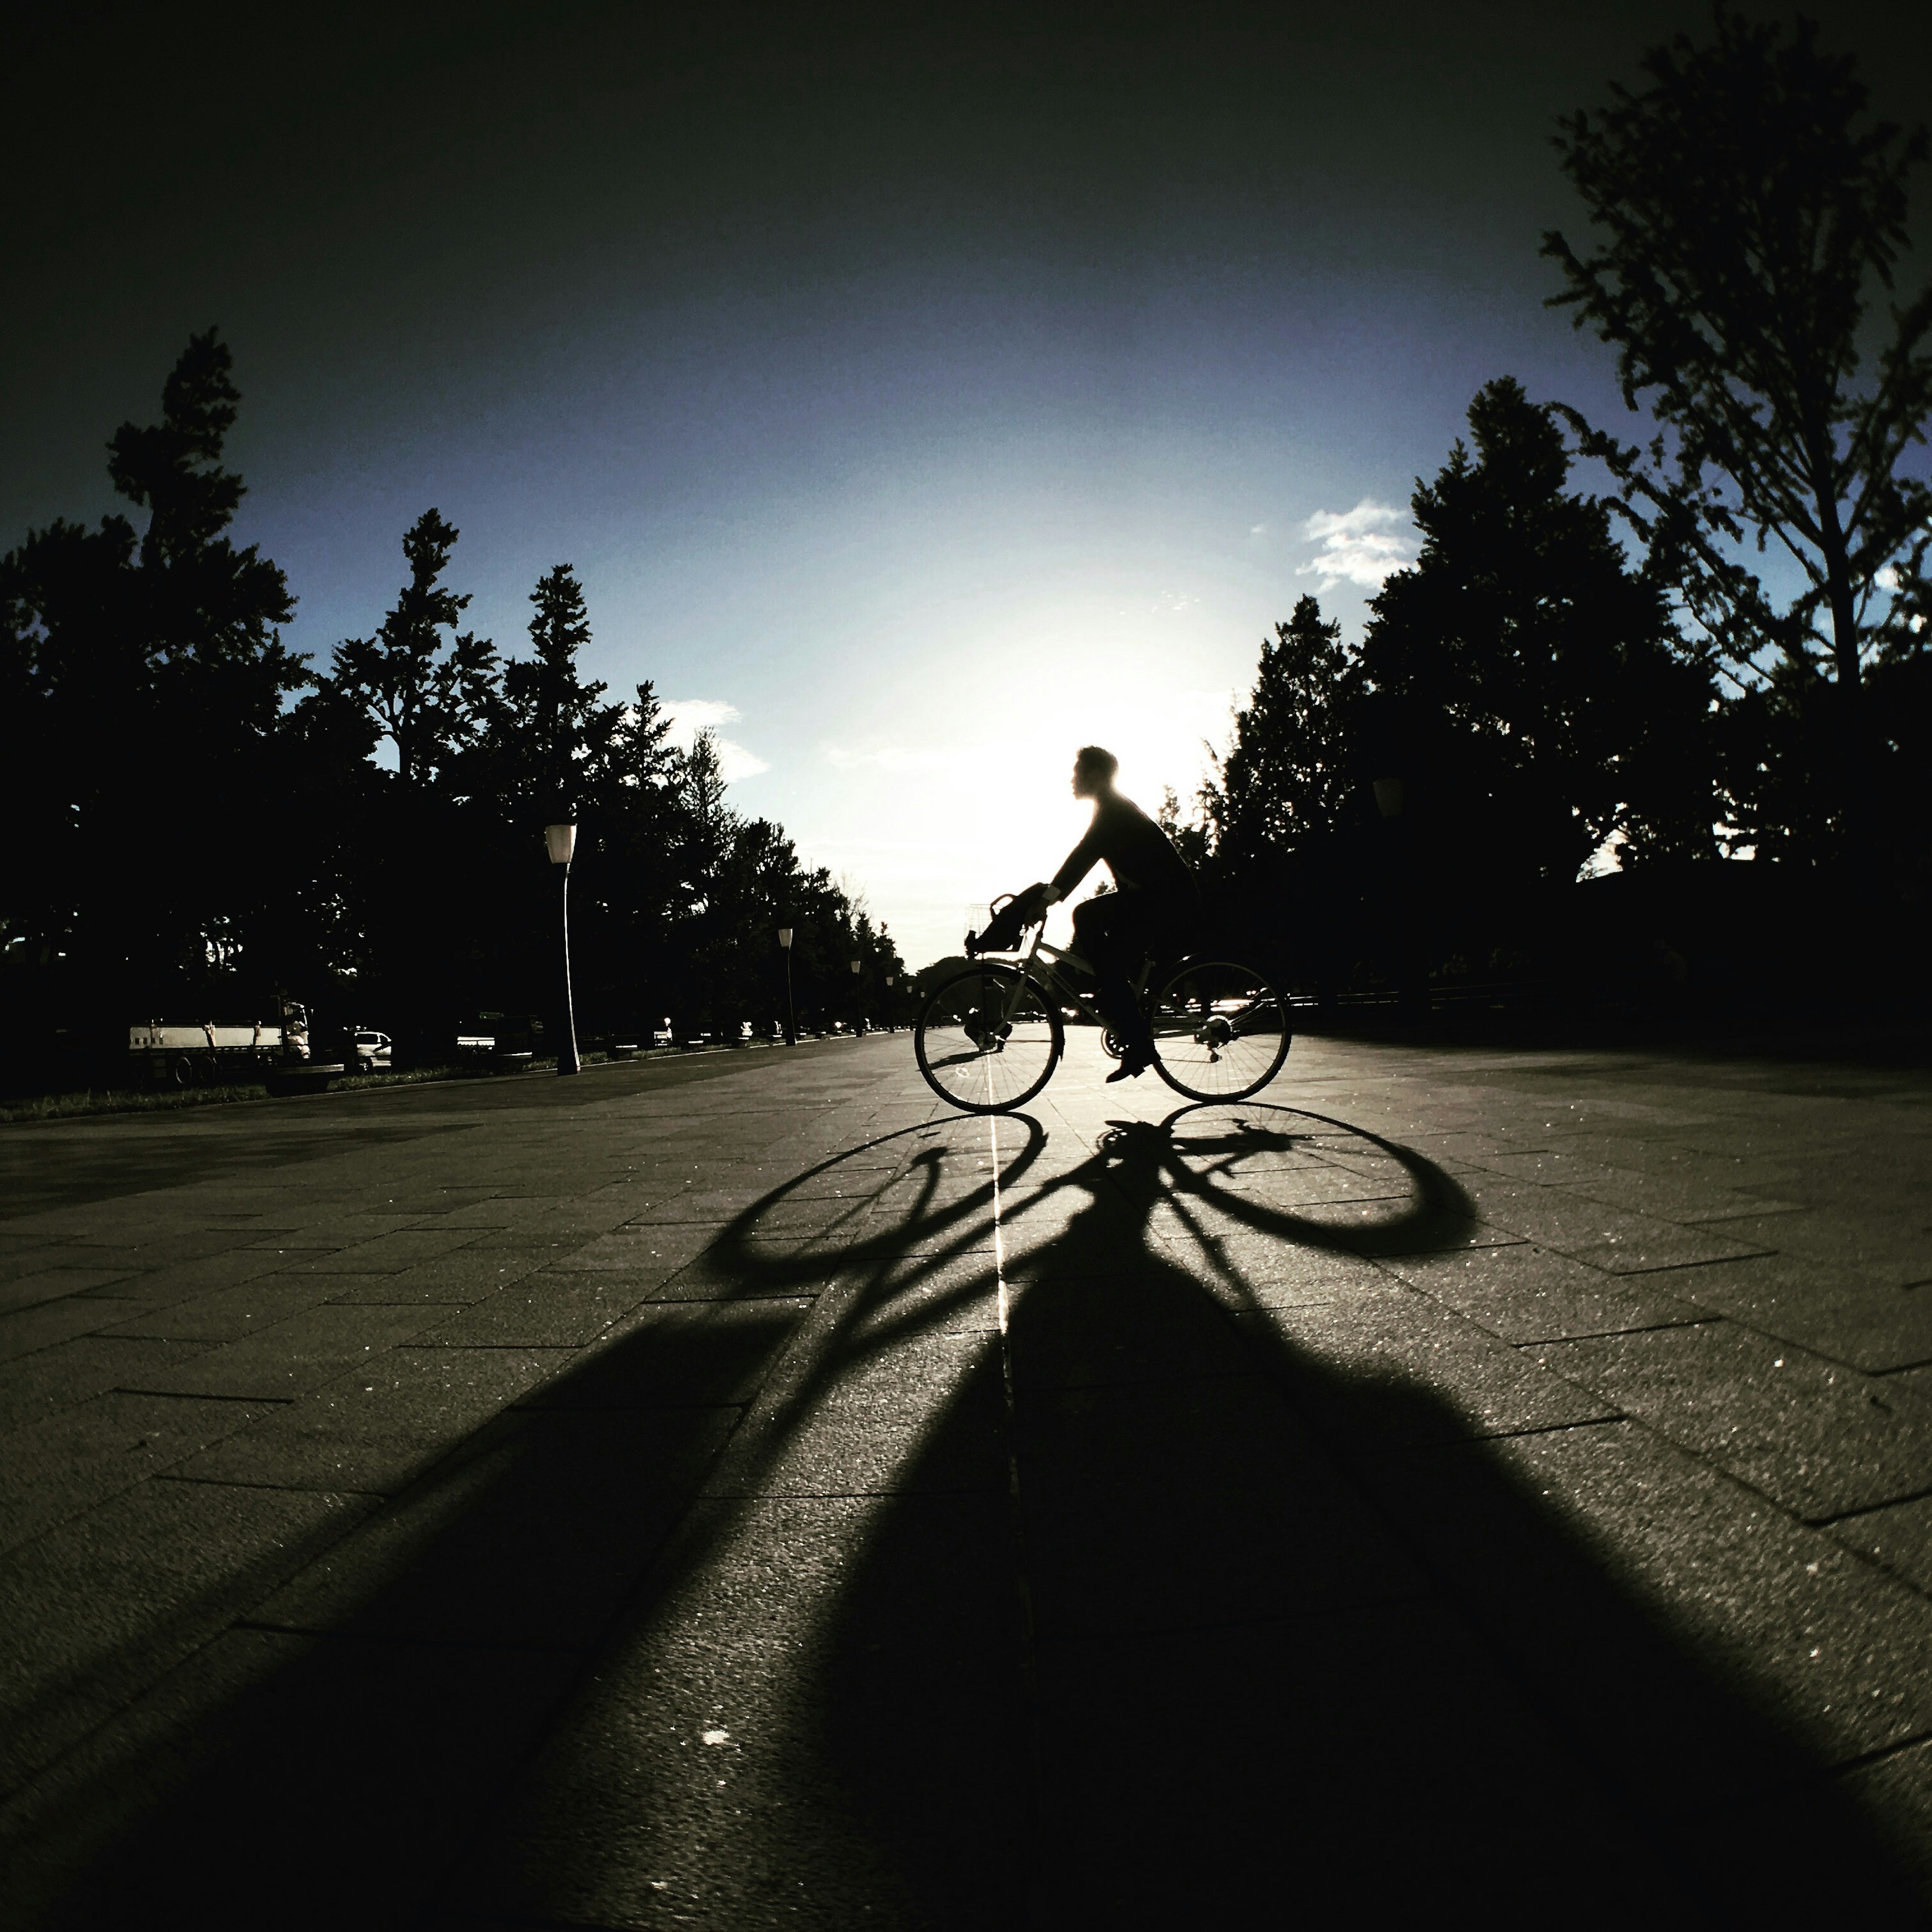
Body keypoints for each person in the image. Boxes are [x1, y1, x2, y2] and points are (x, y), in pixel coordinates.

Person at [1010, 745, 1199, 1083]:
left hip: (1167, 901)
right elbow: (1082, 856)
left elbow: (1082, 857)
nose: (1072, 779)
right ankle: (1119, 1002)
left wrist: (1047, 901)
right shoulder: (1111, 807)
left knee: (1094, 931)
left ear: (1096, 776)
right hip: (1160, 899)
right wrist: (1050, 898)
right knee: (1100, 941)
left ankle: (1136, 1039)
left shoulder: (1112, 812)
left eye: (1077, 772)